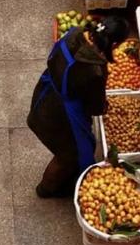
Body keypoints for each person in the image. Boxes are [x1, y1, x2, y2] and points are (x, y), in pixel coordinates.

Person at [27, 14, 130, 198]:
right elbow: (95, 108)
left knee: (68, 153)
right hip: (59, 117)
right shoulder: (95, 70)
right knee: (68, 157)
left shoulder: (75, 33)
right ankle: (46, 189)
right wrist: (104, 105)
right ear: (113, 45)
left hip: (45, 94)